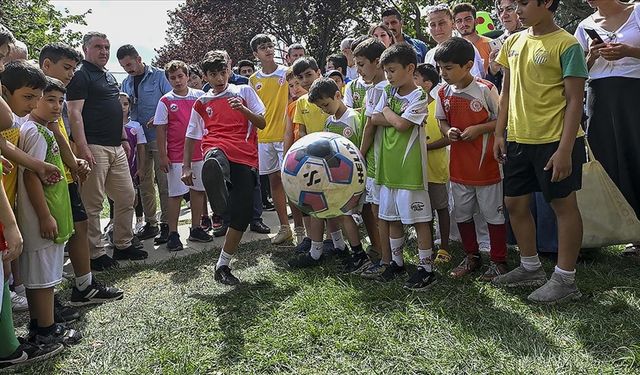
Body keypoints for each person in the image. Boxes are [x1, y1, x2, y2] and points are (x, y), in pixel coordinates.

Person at [492, 0, 588, 303]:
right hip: (519, 139)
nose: (516, 10)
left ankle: (565, 280)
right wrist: (499, 132)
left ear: (547, 3)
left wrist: (565, 149)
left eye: (524, 2)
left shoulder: (568, 44)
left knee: (563, 206)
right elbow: (506, 91)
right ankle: (530, 267)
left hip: (555, 141)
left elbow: (575, 100)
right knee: (514, 203)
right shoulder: (513, 41)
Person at [39, 43, 124, 310]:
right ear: (46, 66)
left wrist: (73, 161)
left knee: (79, 223)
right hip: (48, 180)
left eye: (73, 69)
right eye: (66, 68)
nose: (71, 74)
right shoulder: (38, 97)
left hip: (67, 172)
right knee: (53, 238)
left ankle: (84, 285)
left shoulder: (56, 95)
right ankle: (50, 300)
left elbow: (59, 131)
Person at [0, 29, 64, 367]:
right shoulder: (26, 126)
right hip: (17, 211)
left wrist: (33, 163)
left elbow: (6, 145)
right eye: (31, 98)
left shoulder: (22, 125)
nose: (34, 104)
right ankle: (24, 342)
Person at [182, 50, 266, 285]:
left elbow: (262, 122)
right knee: (214, 157)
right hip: (215, 147)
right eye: (213, 74)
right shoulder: (202, 102)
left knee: (243, 213)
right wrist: (186, 167)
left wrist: (242, 109)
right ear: (205, 76)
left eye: (222, 73)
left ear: (229, 71)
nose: (219, 79)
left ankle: (222, 266)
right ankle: (215, 182)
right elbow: (191, 136)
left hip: (245, 156)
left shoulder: (244, 91)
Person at [67, 32, 147, 269]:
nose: (104, 51)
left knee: (127, 196)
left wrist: (123, 137)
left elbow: (114, 109)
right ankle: (95, 253)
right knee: (92, 203)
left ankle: (122, 244)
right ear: (85, 49)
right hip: (93, 146)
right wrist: (82, 147)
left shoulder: (108, 75)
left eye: (106, 47)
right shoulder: (80, 75)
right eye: (98, 47)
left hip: (115, 145)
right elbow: (74, 113)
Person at [362, 43, 436, 290]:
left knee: (420, 221)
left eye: (392, 70)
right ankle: (397, 262)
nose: (388, 75)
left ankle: (426, 268)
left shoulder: (419, 96)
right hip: (386, 170)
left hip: (410, 172)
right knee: (391, 218)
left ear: (410, 68)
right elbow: (373, 118)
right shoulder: (389, 93)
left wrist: (387, 114)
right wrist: (392, 116)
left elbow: (403, 126)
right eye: (386, 71)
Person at [434, 38, 507, 281]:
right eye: (440, 68)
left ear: (467, 66)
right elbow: (442, 121)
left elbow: (501, 120)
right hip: (459, 167)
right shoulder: (442, 92)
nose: (443, 73)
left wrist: (479, 129)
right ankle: (471, 256)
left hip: (487, 165)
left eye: (448, 68)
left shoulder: (486, 88)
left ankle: (498, 261)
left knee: (493, 215)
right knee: (462, 214)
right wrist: (447, 132)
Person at [16, 76, 81, 345]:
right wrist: (45, 216)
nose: (56, 106)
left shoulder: (43, 129)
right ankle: (46, 330)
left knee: (40, 277)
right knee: (43, 279)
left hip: (46, 215)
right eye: (49, 99)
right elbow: (32, 176)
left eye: (60, 101)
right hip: (41, 218)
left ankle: (40, 324)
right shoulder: (35, 132)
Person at [575, 0, 640, 256]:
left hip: (635, 91)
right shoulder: (584, 25)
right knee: (607, 160)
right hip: (599, 95)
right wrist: (592, 56)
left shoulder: (637, 11)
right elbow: (577, 70)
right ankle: (626, 232)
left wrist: (629, 50)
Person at [289, 78, 368, 271]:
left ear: (338, 95)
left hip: (350, 180)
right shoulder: (329, 122)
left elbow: (357, 150)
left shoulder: (353, 118)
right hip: (332, 179)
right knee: (319, 207)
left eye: (326, 105)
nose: (325, 110)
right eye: (321, 108)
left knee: (345, 214)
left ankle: (359, 254)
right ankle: (326, 250)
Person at [155, 60, 212, 251]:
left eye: (181, 76)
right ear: (168, 79)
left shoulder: (200, 96)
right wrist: (163, 155)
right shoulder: (165, 101)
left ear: (188, 76)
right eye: (173, 78)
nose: (177, 81)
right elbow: (161, 130)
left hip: (199, 152)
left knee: (198, 190)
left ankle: (196, 227)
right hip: (177, 155)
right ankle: (173, 233)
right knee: (176, 194)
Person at [118, 44, 172, 245]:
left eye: (130, 64)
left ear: (139, 59)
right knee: (143, 181)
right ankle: (151, 223)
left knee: (164, 181)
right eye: (124, 66)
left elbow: (169, 99)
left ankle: (167, 223)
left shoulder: (159, 76)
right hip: (136, 139)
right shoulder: (126, 83)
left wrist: (159, 118)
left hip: (158, 136)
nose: (128, 69)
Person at [248, 34, 292, 244]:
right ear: (255, 54)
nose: (268, 49)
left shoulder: (286, 72)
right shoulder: (253, 79)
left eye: (270, 45)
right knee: (274, 182)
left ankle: (300, 228)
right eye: (262, 47)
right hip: (264, 138)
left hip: (285, 136)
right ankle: (285, 227)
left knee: (291, 182)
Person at [353, 37, 387, 265]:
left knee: (379, 212)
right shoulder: (372, 89)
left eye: (362, 64)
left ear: (378, 62)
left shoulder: (380, 89)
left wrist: (360, 153)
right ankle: (381, 250)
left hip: (377, 160)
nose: (359, 70)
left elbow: (370, 126)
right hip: (376, 160)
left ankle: (386, 256)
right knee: (375, 210)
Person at [413, 63, 451, 265]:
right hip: (416, 170)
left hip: (436, 168)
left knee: (441, 207)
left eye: (416, 77)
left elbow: (449, 137)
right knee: (423, 210)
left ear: (427, 84)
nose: (412, 81)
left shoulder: (437, 106)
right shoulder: (410, 108)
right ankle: (426, 246)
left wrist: (426, 148)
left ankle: (444, 246)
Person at [424, 4, 485, 79]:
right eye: (433, 25)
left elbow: (476, 80)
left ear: (453, 24)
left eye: (442, 23)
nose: (437, 28)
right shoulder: (429, 55)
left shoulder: (465, 48)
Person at [118, 93, 146, 234]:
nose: (122, 107)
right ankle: (114, 222)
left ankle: (140, 220)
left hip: (132, 166)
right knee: (115, 196)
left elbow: (141, 147)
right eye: (119, 104)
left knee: (136, 193)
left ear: (130, 106)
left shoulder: (135, 126)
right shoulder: (110, 125)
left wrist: (141, 167)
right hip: (116, 167)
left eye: (125, 104)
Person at [453, 3, 493, 75]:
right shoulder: (453, 49)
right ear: (455, 26)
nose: (463, 24)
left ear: (476, 21)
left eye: (467, 19)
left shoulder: (490, 44)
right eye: (459, 21)